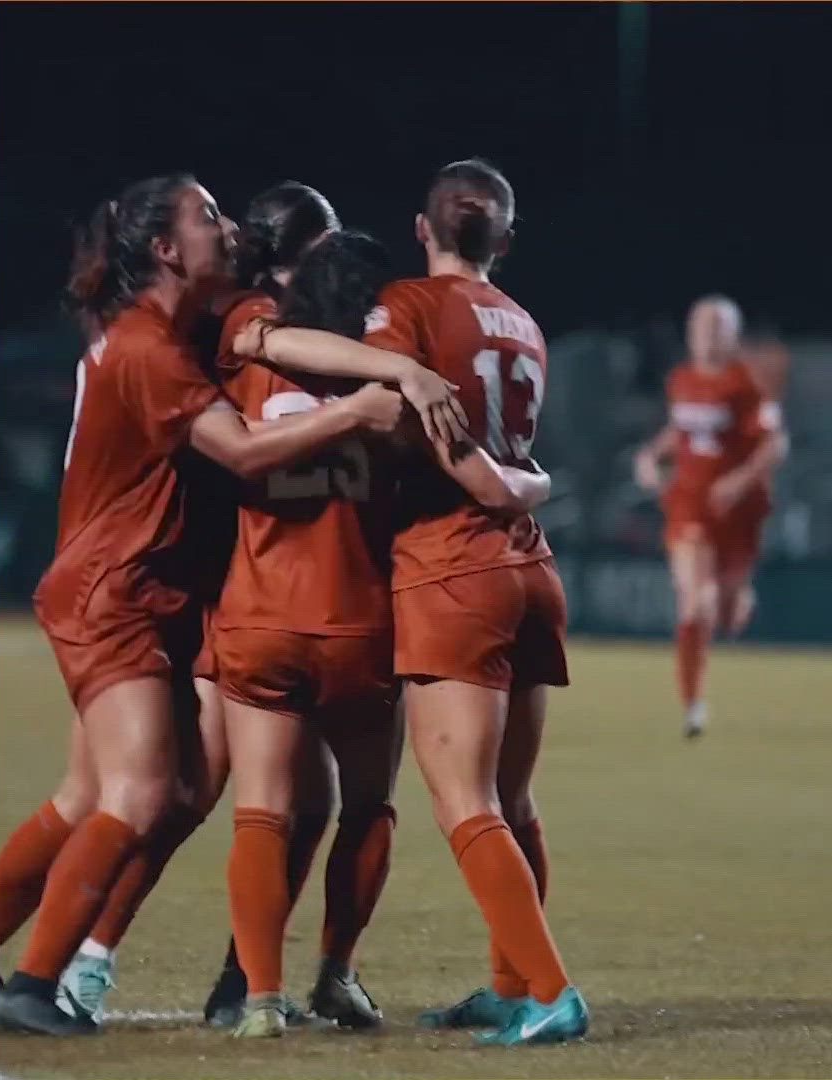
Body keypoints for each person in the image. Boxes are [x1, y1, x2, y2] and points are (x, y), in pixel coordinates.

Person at [0, 174, 410, 1035]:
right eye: (205, 215)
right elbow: (248, 451)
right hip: (121, 590)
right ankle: (42, 984)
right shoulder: (166, 342)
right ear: (165, 249)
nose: (225, 225)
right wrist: (377, 392)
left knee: (104, 795)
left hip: (148, 584)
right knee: (151, 792)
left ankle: (50, 968)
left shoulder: (180, 326)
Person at [218, 213, 554, 1038]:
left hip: (258, 614)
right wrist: (535, 482)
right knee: (369, 807)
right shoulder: (399, 405)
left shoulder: (243, 366)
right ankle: (337, 973)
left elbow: (227, 450)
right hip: (362, 625)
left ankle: (258, 997)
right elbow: (479, 481)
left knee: (260, 807)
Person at [352, 159, 589, 1045]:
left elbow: (388, 402)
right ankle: (513, 984)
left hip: (452, 565)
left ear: (423, 231)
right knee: (513, 802)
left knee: (463, 801)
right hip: (531, 571)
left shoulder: (407, 303)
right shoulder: (524, 323)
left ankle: (554, 991)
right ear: (507, 239)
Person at [633, 297, 788, 737]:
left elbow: (775, 444)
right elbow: (679, 429)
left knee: (723, 610)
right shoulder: (680, 379)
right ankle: (693, 705)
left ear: (733, 335)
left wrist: (739, 481)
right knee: (694, 603)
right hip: (689, 504)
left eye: (717, 326)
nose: (706, 333)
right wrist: (651, 455)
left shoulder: (748, 382)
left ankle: (739, 594)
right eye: (700, 324)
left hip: (740, 512)